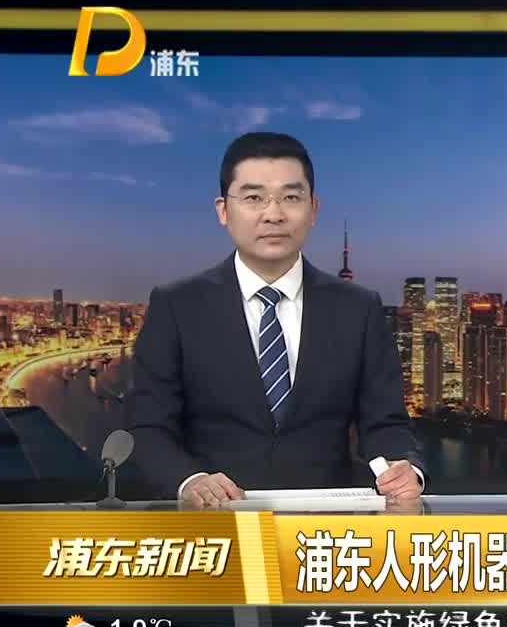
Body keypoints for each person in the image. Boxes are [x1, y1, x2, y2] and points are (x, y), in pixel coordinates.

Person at [125, 132, 426, 508]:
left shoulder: (359, 308)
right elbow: (148, 427)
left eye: (291, 198)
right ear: (223, 210)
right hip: (215, 523)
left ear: (313, 209)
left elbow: (386, 424)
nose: (274, 214)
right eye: (254, 198)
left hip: (324, 525)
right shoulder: (176, 305)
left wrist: (406, 470)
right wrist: (188, 480)